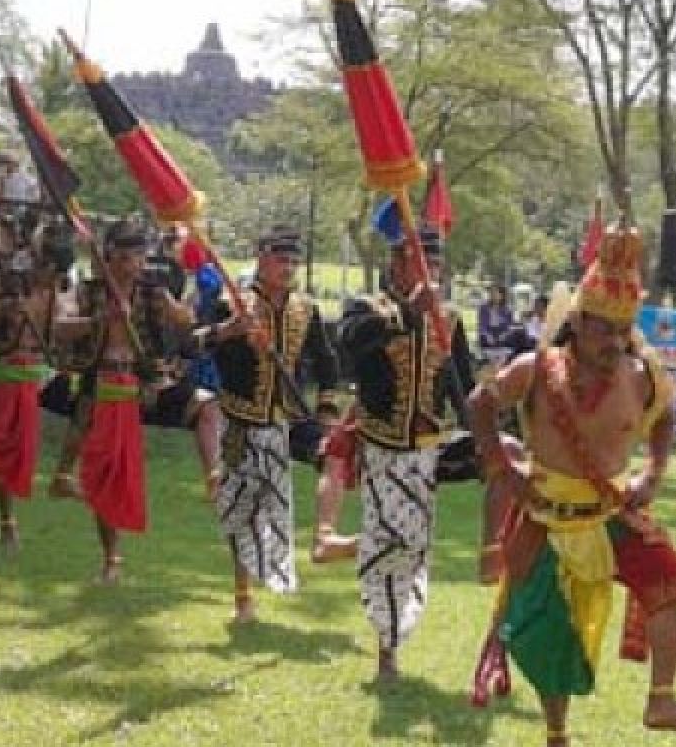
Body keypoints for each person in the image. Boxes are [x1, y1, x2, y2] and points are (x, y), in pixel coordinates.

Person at [467, 223, 676, 745]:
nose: (615, 341)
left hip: (610, 513)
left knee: (674, 584)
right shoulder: (533, 369)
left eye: (623, 329)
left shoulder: (643, 373)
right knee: (545, 638)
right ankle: (557, 732)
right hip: (546, 517)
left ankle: (662, 697)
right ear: (577, 322)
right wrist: (504, 470)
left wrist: (653, 471)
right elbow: (480, 404)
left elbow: (666, 415)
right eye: (603, 328)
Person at [337, 224, 475, 683]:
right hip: (382, 446)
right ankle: (386, 646)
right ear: (396, 265)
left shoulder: (449, 319)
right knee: (385, 539)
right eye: (419, 262)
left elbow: (463, 383)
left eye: (434, 265)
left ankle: (396, 633)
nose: (428, 272)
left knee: (414, 542)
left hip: (425, 452)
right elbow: (349, 344)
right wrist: (403, 317)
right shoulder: (367, 310)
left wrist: (481, 425)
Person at [202, 225, 340, 622]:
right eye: (281, 259)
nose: (288, 267)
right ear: (262, 258)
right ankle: (242, 593)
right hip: (239, 422)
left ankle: (281, 568)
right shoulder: (233, 302)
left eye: (294, 261)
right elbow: (192, 344)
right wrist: (227, 332)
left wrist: (327, 412)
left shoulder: (305, 309)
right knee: (239, 508)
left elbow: (328, 362)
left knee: (275, 506)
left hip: (281, 424)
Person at [54, 220, 182, 583]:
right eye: (125, 257)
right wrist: (100, 319)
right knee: (98, 472)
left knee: (117, 475)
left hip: (134, 388)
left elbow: (186, 322)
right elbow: (59, 328)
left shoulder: (152, 293)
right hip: (98, 384)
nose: (133, 265)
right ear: (109, 258)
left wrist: (171, 306)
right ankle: (109, 555)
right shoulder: (90, 292)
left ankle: (112, 557)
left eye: (139, 257)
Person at [0, 224, 65, 553]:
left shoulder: (58, 295)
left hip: (32, 377)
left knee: (22, 452)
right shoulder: (10, 284)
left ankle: (10, 518)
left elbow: (57, 340)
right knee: (1, 448)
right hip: (3, 374)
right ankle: (7, 523)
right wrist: (2, 309)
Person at [477, 284, 513, 365]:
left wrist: (504, 334)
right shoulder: (484, 308)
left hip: (501, 337)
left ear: (502, 295)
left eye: (495, 292)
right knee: (488, 345)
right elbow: (481, 325)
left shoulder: (507, 310)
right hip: (488, 335)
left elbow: (509, 327)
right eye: (491, 292)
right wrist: (487, 335)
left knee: (504, 352)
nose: (493, 294)